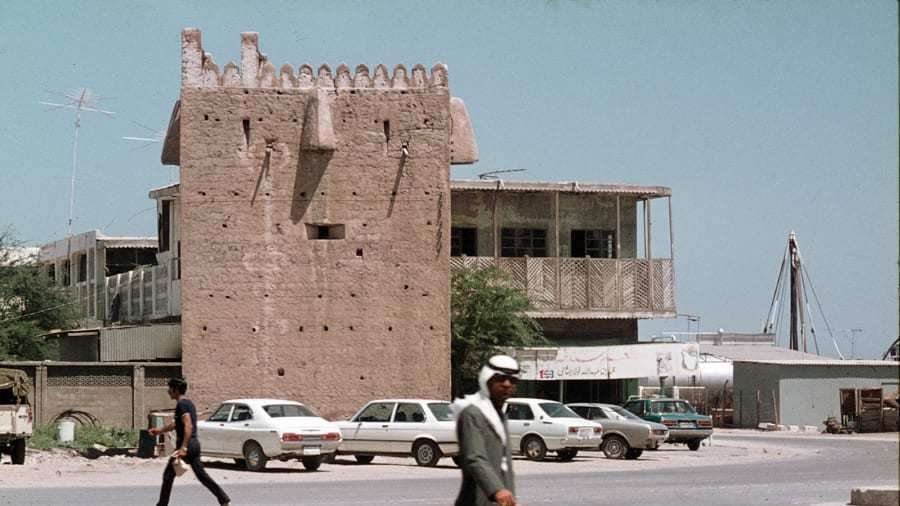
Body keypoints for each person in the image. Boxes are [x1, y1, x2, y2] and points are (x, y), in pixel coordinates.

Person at [149, 377, 231, 506]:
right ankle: (224, 500)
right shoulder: (188, 403)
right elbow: (176, 424)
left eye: (170, 388)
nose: (168, 391)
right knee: (202, 476)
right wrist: (159, 431)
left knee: (168, 476)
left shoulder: (182, 404)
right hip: (193, 444)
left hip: (187, 445)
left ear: (176, 390)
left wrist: (183, 447)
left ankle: (162, 505)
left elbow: (188, 426)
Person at [451, 355, 521, 506]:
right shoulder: (473, 413)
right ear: (487, 380)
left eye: (512, 380)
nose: (507, 384)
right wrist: (497, 490)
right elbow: (475, 458)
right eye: (500, 378)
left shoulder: (500, 415)